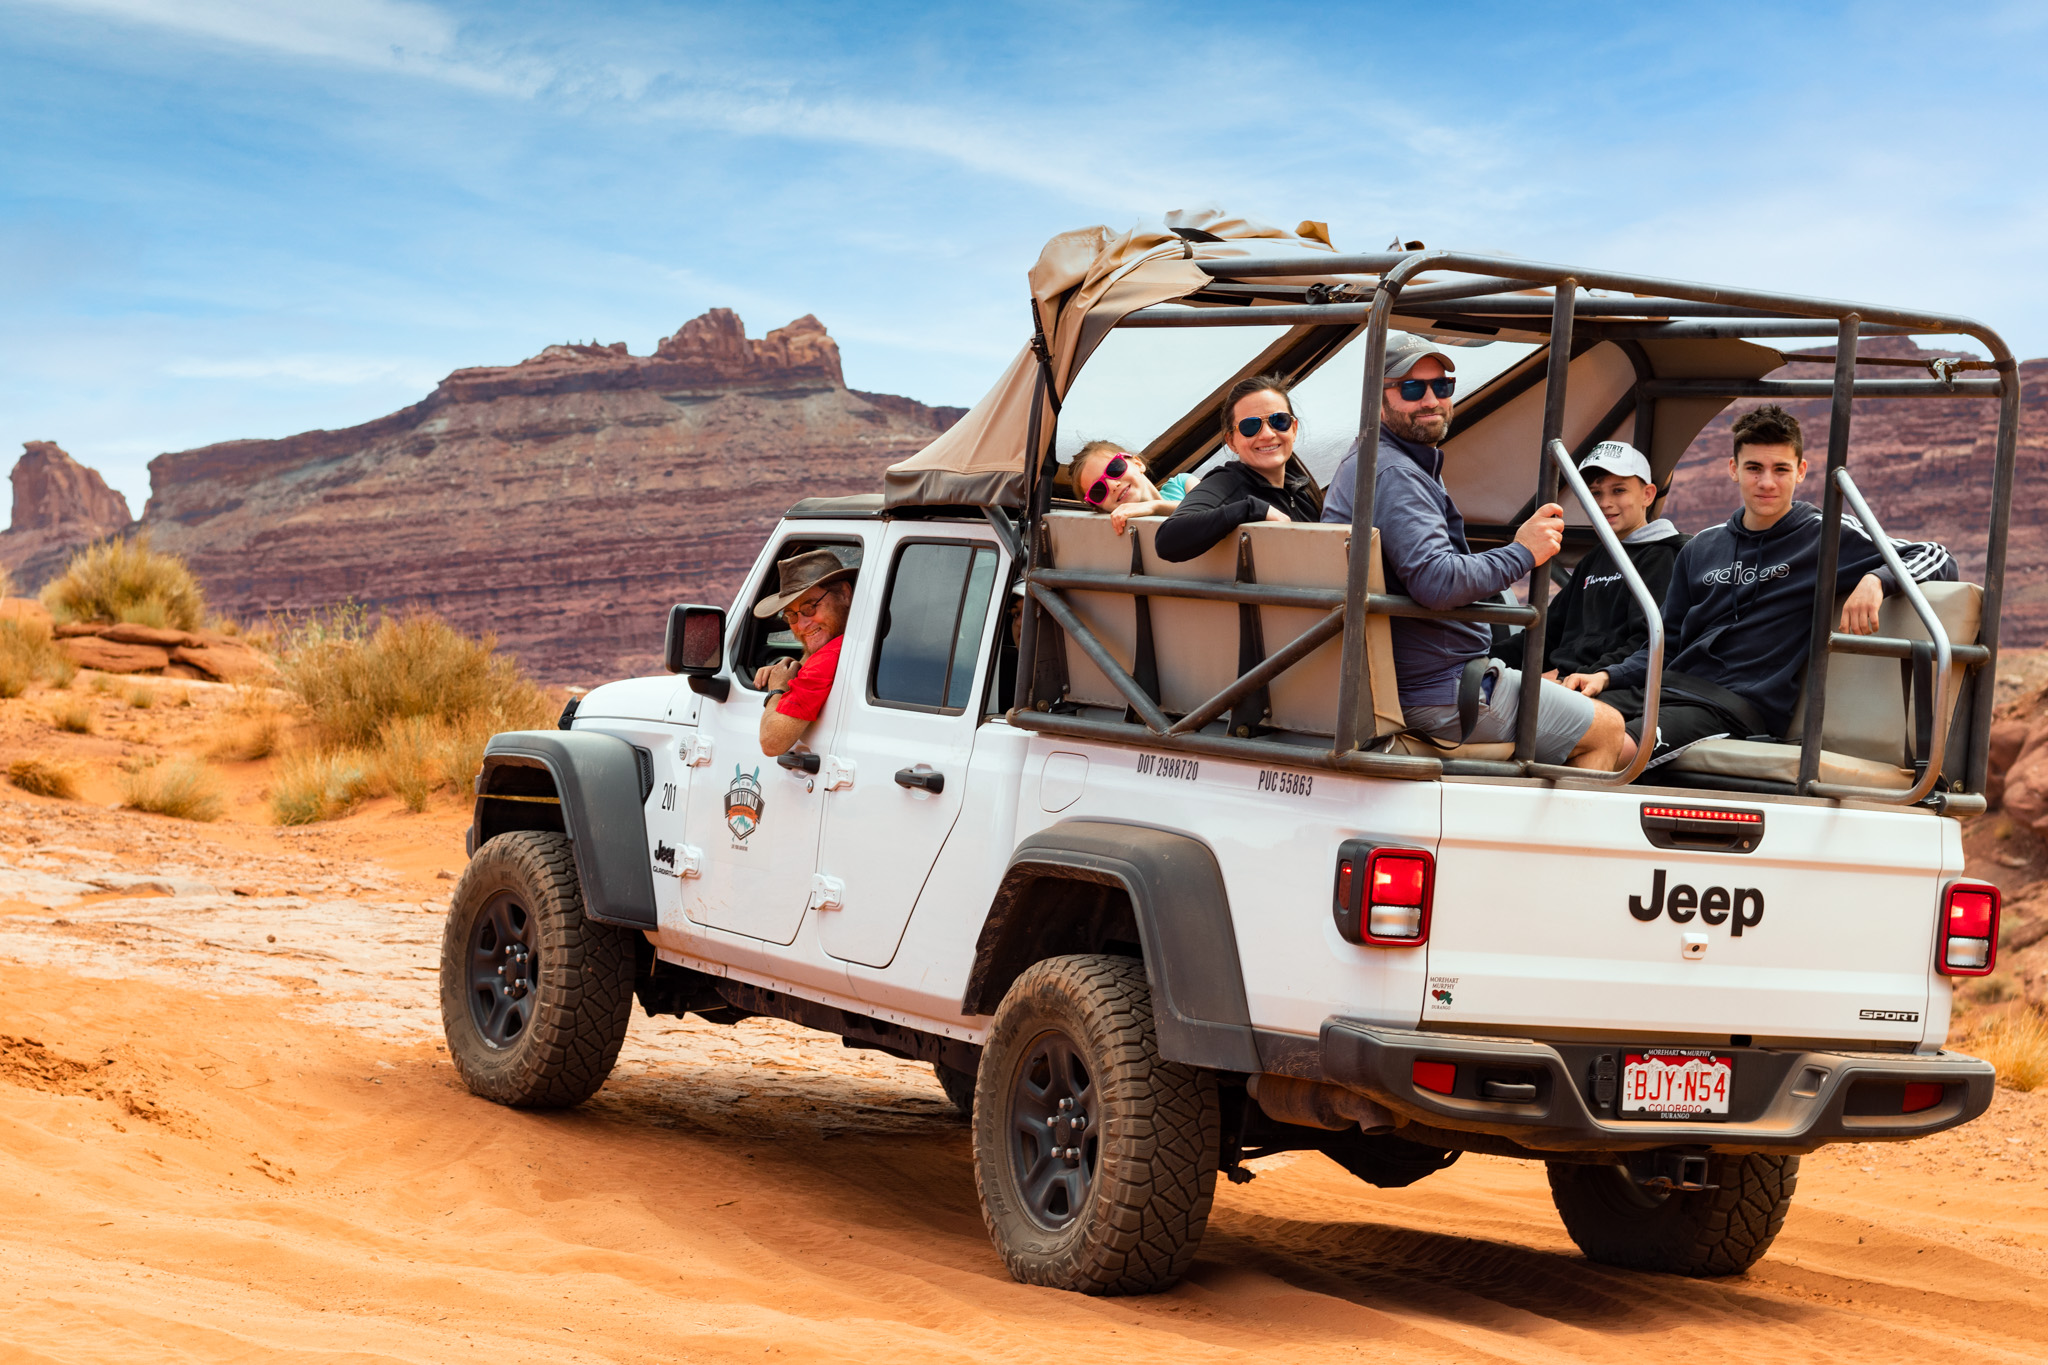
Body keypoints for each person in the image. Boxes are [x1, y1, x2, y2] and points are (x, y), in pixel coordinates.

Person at [1583, 405, 1957, 766]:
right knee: (1558, 726)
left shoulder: (1825, 535)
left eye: (1780, 469)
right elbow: (1665, 641)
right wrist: (1607, 675)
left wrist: (1877, 580)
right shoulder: (1701, 547)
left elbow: (1936, 555)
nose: (1766, 482)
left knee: (1611, 746)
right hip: (1667, 689)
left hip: (1735, 707)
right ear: (1734, 469)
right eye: (1754, 468)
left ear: (1801, 471)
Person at [1321, 338, 1632, 770]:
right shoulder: (1395, 473)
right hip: (1441, 693)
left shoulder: (1377, 461)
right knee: (1611, 732)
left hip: (1419, 679)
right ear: (1376, 398)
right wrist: (1523, 552)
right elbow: (1438, 580)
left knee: (1607, 733)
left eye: (1442, 386)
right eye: (1411, 389)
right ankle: (1543, 840)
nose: (1431, 400)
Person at [1494, 440, 1687, 720]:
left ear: (1648, 494)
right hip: (1566, 685)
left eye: (1618, 490)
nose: (1604, 503)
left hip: (1608, 692)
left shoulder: (1664, 556)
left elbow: (1647, 643)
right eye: (1594, 493)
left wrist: (1574, 679)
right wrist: (1484, 659)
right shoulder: (1595, 559)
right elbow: (1546, 633)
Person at [1155, 376, 1322, 562]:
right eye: (1250, 426)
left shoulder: (1302, 491)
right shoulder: (1226, 484)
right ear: (1231, 441)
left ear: (1294, 429)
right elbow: (1167, 540)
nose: (1267, 434)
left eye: (1279, 421)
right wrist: (1251, 509)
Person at [750, 547, 858, 758]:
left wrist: (777, 689)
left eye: (810, 608)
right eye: (791, 615)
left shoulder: (828, 659)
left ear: (845, 594)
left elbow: (772, 742)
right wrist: (793, 670)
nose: (802, 624)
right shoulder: (852, 644)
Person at [1072, 439, 1197, 536]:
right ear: (1100, 509)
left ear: (1138, 464)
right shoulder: (1124, 531)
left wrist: (1155, 506)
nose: (1112, 486)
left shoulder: (1182, 484)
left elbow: (1210, 509)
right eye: (1098, 490)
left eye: (1114, 468)